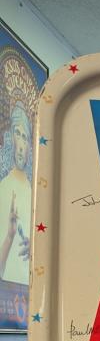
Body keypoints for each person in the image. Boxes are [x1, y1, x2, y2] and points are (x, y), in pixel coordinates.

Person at [0, 106, 32, 284]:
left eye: (25, 137)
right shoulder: (4, 187)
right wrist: (10, 236)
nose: (21, 145)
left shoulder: (36, 190)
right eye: (17, 134)